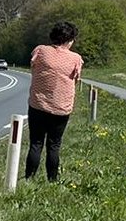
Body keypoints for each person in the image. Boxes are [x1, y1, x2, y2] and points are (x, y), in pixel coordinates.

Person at [24, 21, 83, 182]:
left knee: (36, 143)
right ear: (69, 40)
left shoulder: (40, 51)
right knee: (54, 145)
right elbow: (76, 79)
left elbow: (33, 68)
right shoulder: (75, 58)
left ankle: (29, 178)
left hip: (38, 105)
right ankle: (52, 180)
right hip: (61, 108)